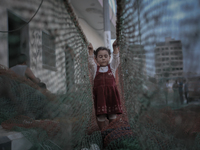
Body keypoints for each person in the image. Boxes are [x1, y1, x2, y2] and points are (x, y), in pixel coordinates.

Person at [88, 40, 123, 130]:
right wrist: (91, 51)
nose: (103, 58)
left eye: (105, 56)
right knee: (101, 115)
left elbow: (116, 58)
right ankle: (102, 132)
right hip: (100, 97)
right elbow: (91, 62)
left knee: (112, 114)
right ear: (96, 58)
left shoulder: (112, 67)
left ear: (109, 57)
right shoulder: (95, 69)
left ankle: (112, 131)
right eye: (100, 56)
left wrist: (114, 47)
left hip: (111, 95)